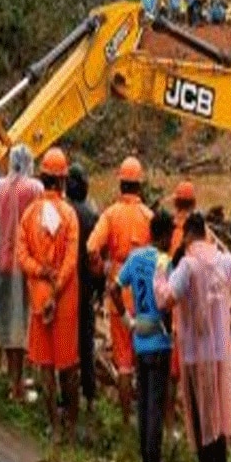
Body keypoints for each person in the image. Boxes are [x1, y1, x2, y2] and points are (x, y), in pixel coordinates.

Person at [156, 211, 231, 462]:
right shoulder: (221, 260)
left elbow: (166, 299)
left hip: (196, 356)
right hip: (220, 354)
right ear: (206, 233)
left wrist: (159, 274)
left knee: (201, 423)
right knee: (219, 421)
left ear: (187, 235)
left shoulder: (188, 265)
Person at [17, 148, 81, 443]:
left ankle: (54, 427)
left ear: (42, 179)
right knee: (67, 364)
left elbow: (21, 256)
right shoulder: (70, 215)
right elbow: (70, 260)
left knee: (45, 366)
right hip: (64, 298)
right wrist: (56, 285)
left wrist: (41, 274)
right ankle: (70, 425)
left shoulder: (29, 215)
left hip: (39, 296)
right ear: (64, 180)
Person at [88, 157, 153, 424]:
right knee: (145, 358)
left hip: (118, 290)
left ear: (121, 184)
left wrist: (102, 269)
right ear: (139, 186)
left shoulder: (110, 214)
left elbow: (91, 248)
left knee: (124, 362)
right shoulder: (148, 216)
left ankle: (127, 420)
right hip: (144, 292)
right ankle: (147, 418)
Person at [113, 209, 174, 462]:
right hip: (160, 340)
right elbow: (171, 299)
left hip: (139, 337)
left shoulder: (135, 257)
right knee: (155, 407)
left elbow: (114, 288)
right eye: (170, 234)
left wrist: (128, 320)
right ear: (163, 234)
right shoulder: (164, 262)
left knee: (144, 403)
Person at [0, 145, 43, 398]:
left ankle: (11, 376)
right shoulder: (34, 188)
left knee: (6, 321)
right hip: (23, 265)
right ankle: (17, 384)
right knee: (21, 324)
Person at [65, 164, 100, 413]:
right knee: (86, 344)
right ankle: (89, 396)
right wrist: (99, 288)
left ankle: (67, 397)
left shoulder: (62, 212)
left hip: (64, 287)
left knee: (65, 342)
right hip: (86, 287)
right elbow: (96, 256)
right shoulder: (91, 216)